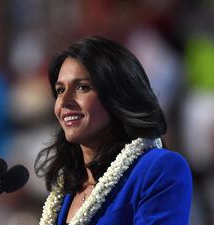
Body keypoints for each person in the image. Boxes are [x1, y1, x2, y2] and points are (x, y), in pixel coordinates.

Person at [35, 36, 192, 225]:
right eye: (60, 90)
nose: (64, 101)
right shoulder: (67, 188)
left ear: (118, 95)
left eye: (82, 87)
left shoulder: (159, 168)